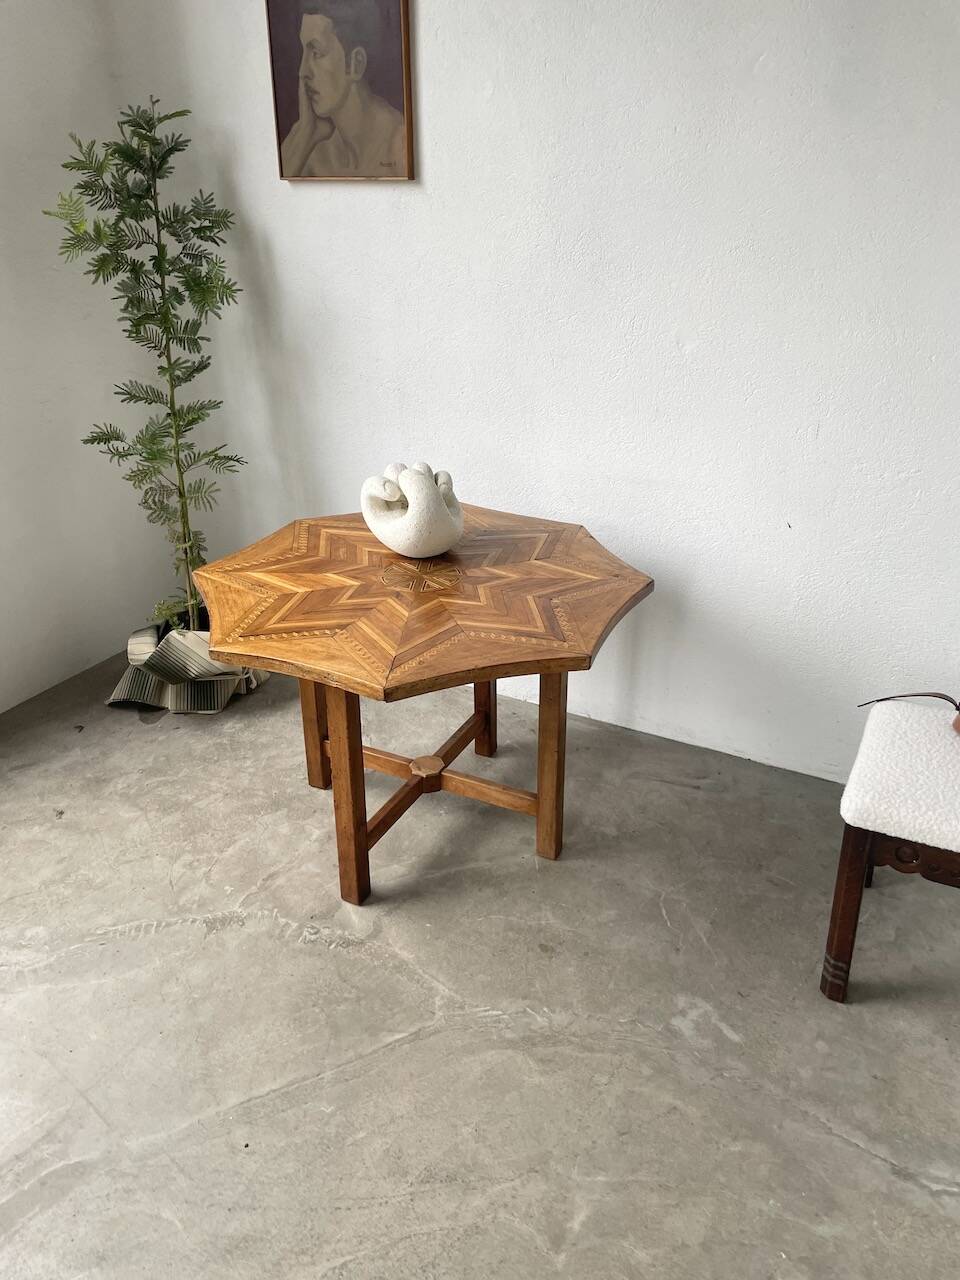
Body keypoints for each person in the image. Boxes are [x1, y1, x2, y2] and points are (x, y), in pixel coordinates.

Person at [280, 0, 406, 178]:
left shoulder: (399, 146)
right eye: (303, 52)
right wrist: (303, 133)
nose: (303, 72)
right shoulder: (314, 149)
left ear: (356, 63)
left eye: (316, 53)